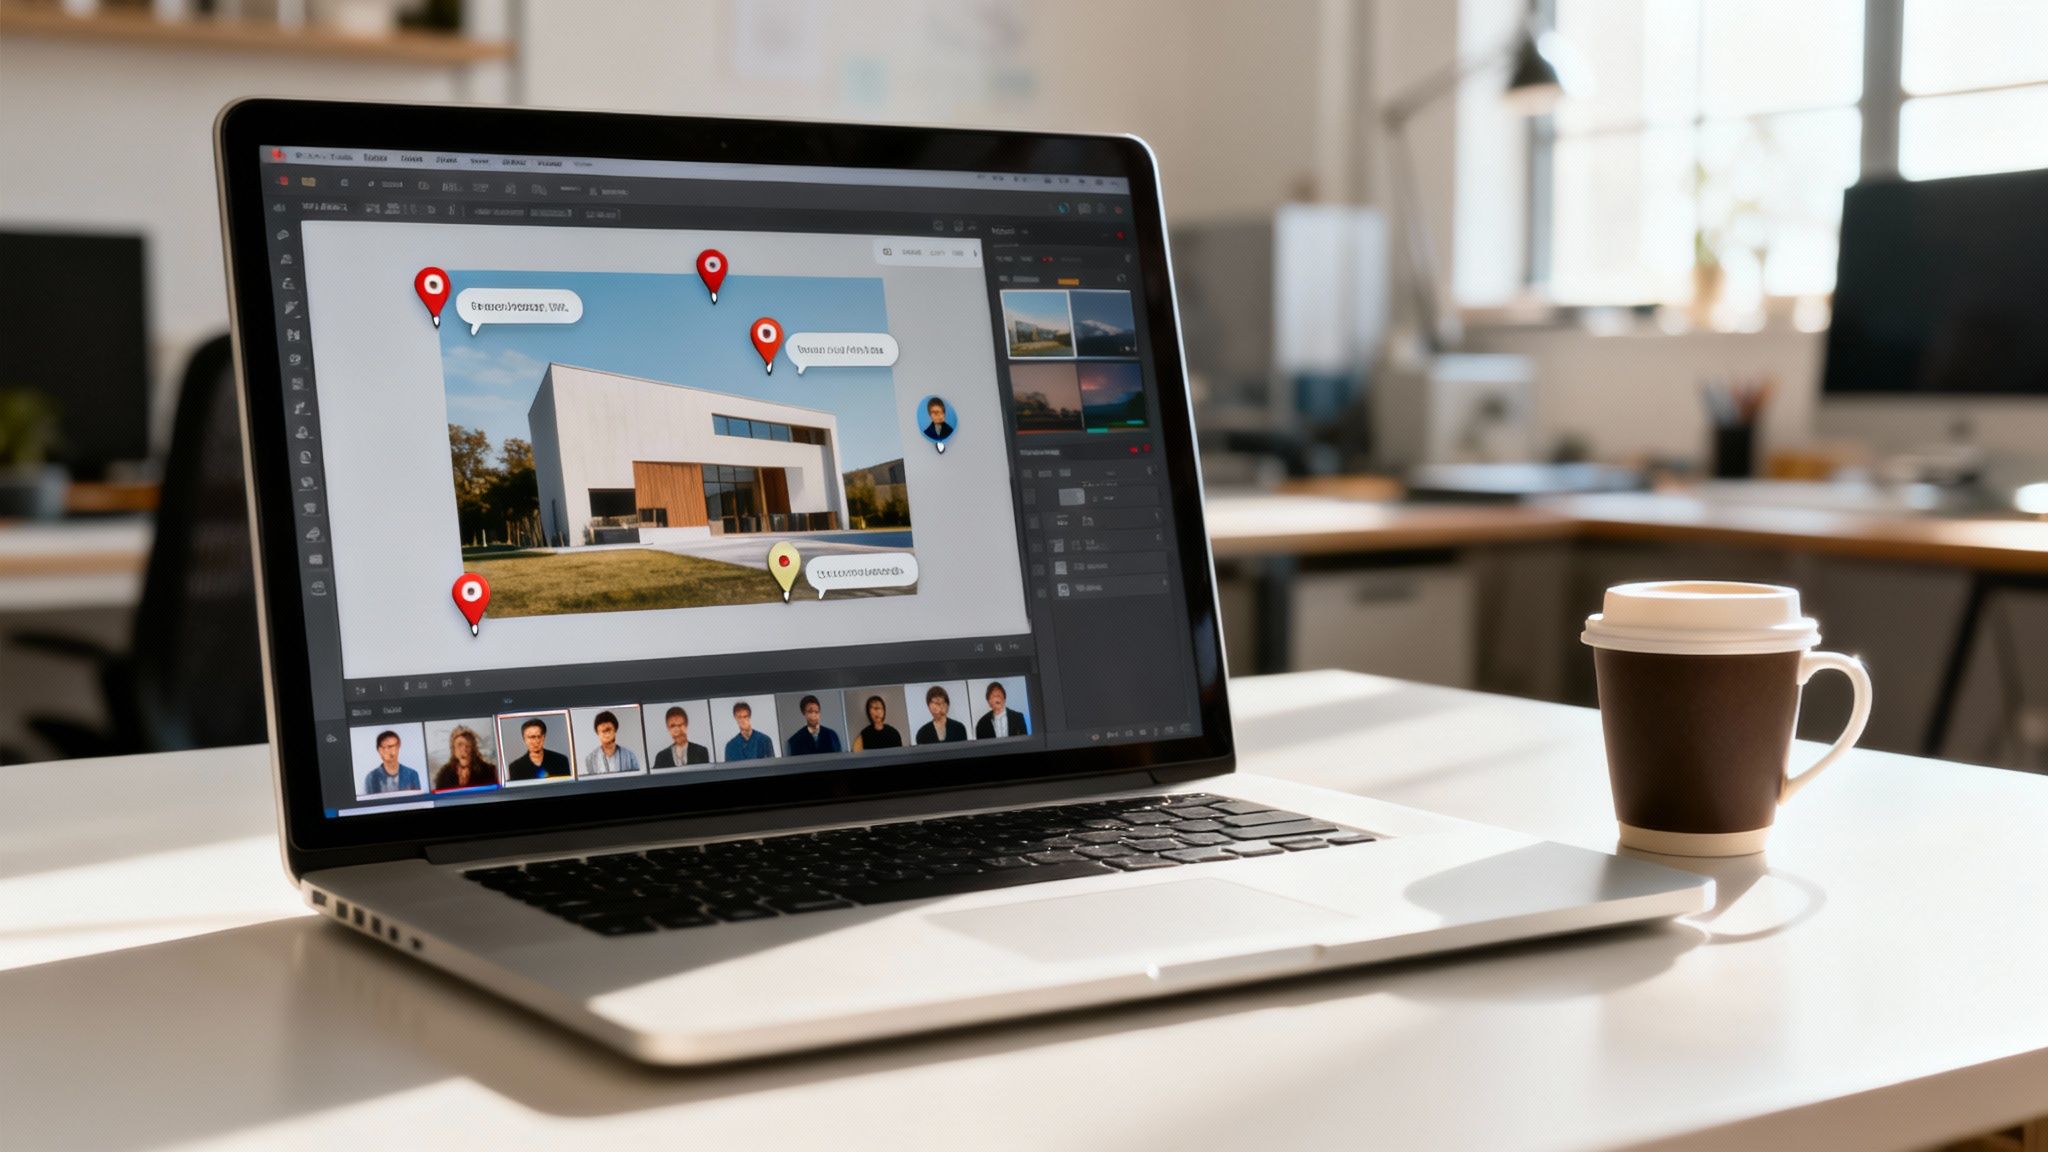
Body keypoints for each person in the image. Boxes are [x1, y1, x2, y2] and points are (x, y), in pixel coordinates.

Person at [432, 724, 498, 791]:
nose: (464, 749)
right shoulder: (444, 775)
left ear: (473, 749)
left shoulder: (488, 771)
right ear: (453, 750)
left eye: (468, 745)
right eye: (460, 745)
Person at [507, 716, 571, 782]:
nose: (536, 741)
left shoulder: (561, 761)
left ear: (543, 737)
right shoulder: (515, 767)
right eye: (531, 737)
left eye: (539, 736)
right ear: (524, 739)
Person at [582, 709, 642, 775]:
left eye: (609, 729)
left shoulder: (630, 756)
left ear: (615, 730)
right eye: (603, 731)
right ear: (597, 733)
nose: (607, 734)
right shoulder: (590, 759)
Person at [361, 729, 422, 795]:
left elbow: (417, 801)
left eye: (391, 747)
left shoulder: (412, 774)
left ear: (398, 747)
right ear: (379, 750)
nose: (387, 751)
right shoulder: (371, 777)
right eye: (383, 747)